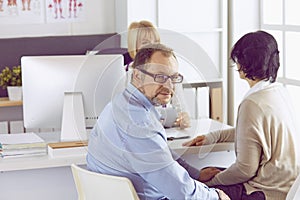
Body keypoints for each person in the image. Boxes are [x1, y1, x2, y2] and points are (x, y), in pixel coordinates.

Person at [86, 43, 230, 200]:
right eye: (160, 77)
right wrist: (216, 197)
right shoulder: (139, 124)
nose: (169, 86)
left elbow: (162, 156)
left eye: (174, 78)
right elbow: (179, 190)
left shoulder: (118, 104)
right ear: (137, 76)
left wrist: (195, 174)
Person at [183, 30, 300, 199]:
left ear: (246, 62)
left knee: (193, 187)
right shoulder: (278, 92)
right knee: (206, 174)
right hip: (288, 187)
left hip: (265, 191)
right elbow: (253, 133)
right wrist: (212, 137)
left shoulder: (252, 103)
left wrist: (208, 183)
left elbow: (245, 169)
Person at [126, 20, 190, 129]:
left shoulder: (172, 74)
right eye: (145, 42)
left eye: (156, 41)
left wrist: (183, 118)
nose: (152, 46)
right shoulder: (129, 74)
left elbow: (182, 110)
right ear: (134, 47)